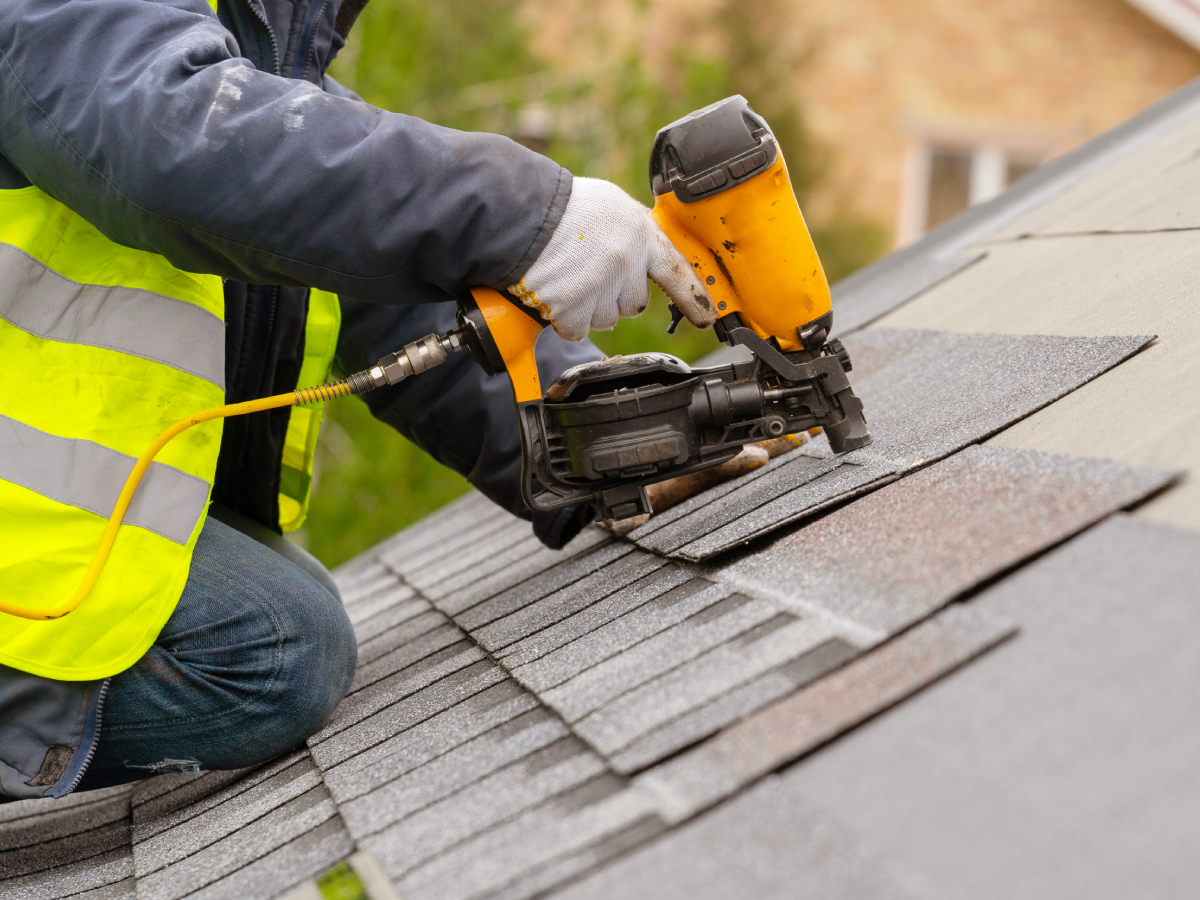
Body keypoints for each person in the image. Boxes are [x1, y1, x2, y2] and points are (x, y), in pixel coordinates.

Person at [0, 0, 715, 801]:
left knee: (280, 615)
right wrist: (521, 215)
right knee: (271, 648)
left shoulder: (254, 48)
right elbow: (175, 138)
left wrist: (599, 438)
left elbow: (399, 302)